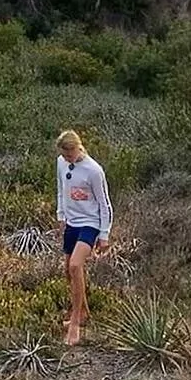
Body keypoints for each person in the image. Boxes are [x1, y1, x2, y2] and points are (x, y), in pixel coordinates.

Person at [55, 129, 111, 347]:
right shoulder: (61, 162)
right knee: (67, 269)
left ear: (78, 147)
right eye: (64, 155)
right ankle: (84, 311)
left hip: (90, 223)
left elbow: (104, 204)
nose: (68, 158)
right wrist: (61, 214)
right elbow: (61, 188)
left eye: (70, 154)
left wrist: (104, 234)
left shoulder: (93, 171)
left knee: (76, 266)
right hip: (72, 222)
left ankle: (75, 322)